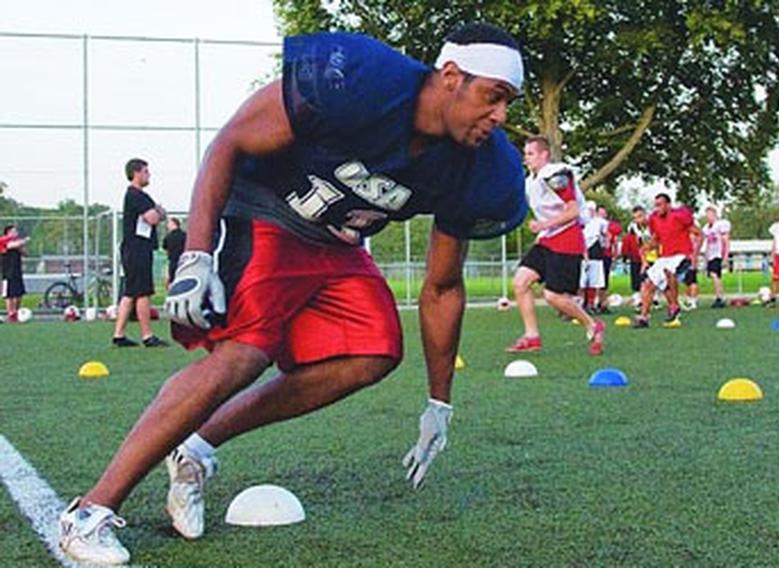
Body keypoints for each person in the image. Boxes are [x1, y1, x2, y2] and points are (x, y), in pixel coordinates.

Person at [59, 24, 528, 565]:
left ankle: (197, 448)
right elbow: (231, 140)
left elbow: (443, 287)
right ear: (451, 77)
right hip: (266, 209)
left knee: (374, 349)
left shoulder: (482, 166)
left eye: (508, 103)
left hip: (335, 241)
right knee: (245, 353)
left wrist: (439, 402)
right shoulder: (358, 79)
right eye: (493, 97)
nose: (500, 117)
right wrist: (197, 252)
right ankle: (90, 511)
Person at [508, 136, 604, 353]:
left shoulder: (556, 174)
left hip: (567, 238)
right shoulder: (531, 181)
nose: (526, 159)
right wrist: (542, 233)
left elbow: (573, 211)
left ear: (544, 155)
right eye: (525, 154)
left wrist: (543, 225)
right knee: (520, 282)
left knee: (553, 296)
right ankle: (532, 337)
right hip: (547, 239)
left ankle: (592, 325)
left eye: (531, 154)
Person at [111, 158, 168, 347]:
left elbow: (156, 214)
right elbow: (152, 217)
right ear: (136, 173)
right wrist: (159, 212)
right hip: (136, 248)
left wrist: (158, 212)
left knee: (131, 293)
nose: (148, 174)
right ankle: (147, 335)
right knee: (143, 292)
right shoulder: (135, 195)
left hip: (137, 248)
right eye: (145, 171)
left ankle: (118, 334)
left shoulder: (141, 195)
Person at [634, 193, 700, 328]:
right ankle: (644, 317)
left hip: (681, 254)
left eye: (660, 205)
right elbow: (657, 239)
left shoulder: (679, 217)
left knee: (669, 272)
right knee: (648, 283)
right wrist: (646, 248)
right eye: (655, 205)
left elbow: (699, 234)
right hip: (665, 256)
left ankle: (674, 305)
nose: (657, 208)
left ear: (668, 205)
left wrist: (695, 255)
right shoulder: (654, 219)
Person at [579, 202, 607, 313]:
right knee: (581, 283)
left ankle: (591, 304)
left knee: (594, 282)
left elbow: (607, 234)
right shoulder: (581, 222)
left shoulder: (600, 222)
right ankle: (580, 304)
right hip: (583, 256)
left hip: (596, 255)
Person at [701, 206, 731, 308]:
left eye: (710, 214)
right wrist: (706, 257)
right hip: (711, 255)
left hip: (718, 254)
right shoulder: (706, 228)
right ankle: (720, 297)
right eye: (707, 215)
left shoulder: (720, 225)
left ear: (714, 214)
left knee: (714, 275)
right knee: (715, 276)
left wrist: (725, 256)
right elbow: (708, 244)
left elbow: (726, 241)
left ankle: (719, 298)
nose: (708, 217)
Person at [621, 206, 649, 306]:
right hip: (638, 258)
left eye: (640, 216)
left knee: (651, 280)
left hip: (651, 257)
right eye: (636, 218)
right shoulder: (631, 236)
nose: (638, 220)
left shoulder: (651, 226)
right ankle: (640, 300)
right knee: (640, 279)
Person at [0, 225, 29, 322]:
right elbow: (10, 246)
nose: (15, 233)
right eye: (13, 231)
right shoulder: (3, 240)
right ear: (8, 232)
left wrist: (21, 246)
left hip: (17, 271)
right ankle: (10, 314)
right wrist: (24, 241)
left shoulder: (17, 243)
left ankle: (15, 313)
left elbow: (25, 254)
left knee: (19, 294)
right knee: (9, 295)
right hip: (7, 272)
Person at [599, 207, 622, 309]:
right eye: (600, 213)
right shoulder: (591, 224)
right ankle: (588, 303)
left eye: (604, 213)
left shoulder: (610, 226)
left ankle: (602, 303)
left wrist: (615, 255)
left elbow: (614, 241)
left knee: (604, 280)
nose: (602, 215)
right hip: (596, 255)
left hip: (606, 255)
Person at [162, 217, 187, 290]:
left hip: (172, 261)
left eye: (169, 223)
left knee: (171, 280)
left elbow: (165, 249)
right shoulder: (185, 235)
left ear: (173, 224)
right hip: (183, 261)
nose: (167, 226)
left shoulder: (168, 237)